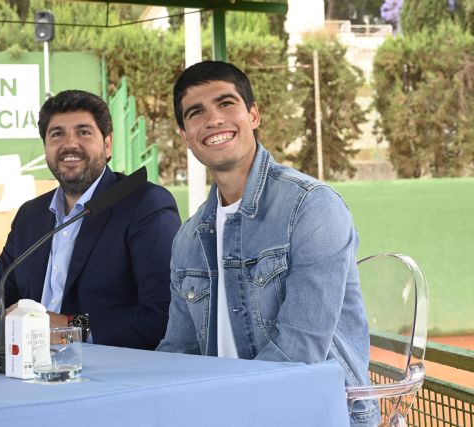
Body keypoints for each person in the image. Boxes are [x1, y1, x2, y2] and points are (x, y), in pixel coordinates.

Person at [156, 61, 379, 426]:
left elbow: (299, 353)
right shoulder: (188, 238)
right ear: (185, 135)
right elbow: (177, 352)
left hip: (316, 414)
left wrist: (221, 409)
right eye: (196, 112)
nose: (213, 119)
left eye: (226, 103)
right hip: (221, 413)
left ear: (254, 115)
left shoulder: (311, 206)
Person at [0, 89, 181, 350]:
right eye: (57, 134)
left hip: (105, 376)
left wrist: (69, 328)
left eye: (84, 132)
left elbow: (162, 314)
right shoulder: (31, 215)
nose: (70, 144)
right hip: (23, 368)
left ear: (108, 144)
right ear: (45, 146)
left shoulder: (145, 204)